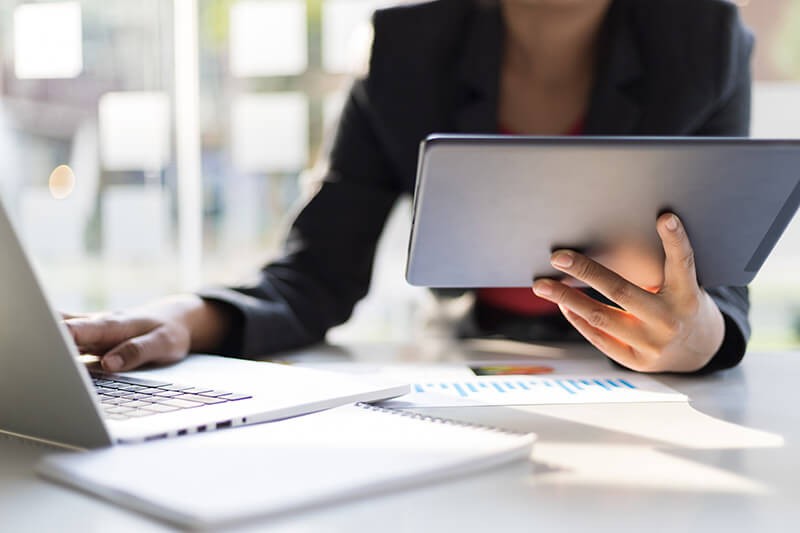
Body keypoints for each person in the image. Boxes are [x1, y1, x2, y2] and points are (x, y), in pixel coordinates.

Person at [66, 0, 753, 374]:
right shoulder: (406, 53)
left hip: (643, 395)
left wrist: (699, 340)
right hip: (464, 371)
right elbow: (313, 275)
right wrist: (188, 316)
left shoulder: (703, 42)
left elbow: (717, 291)